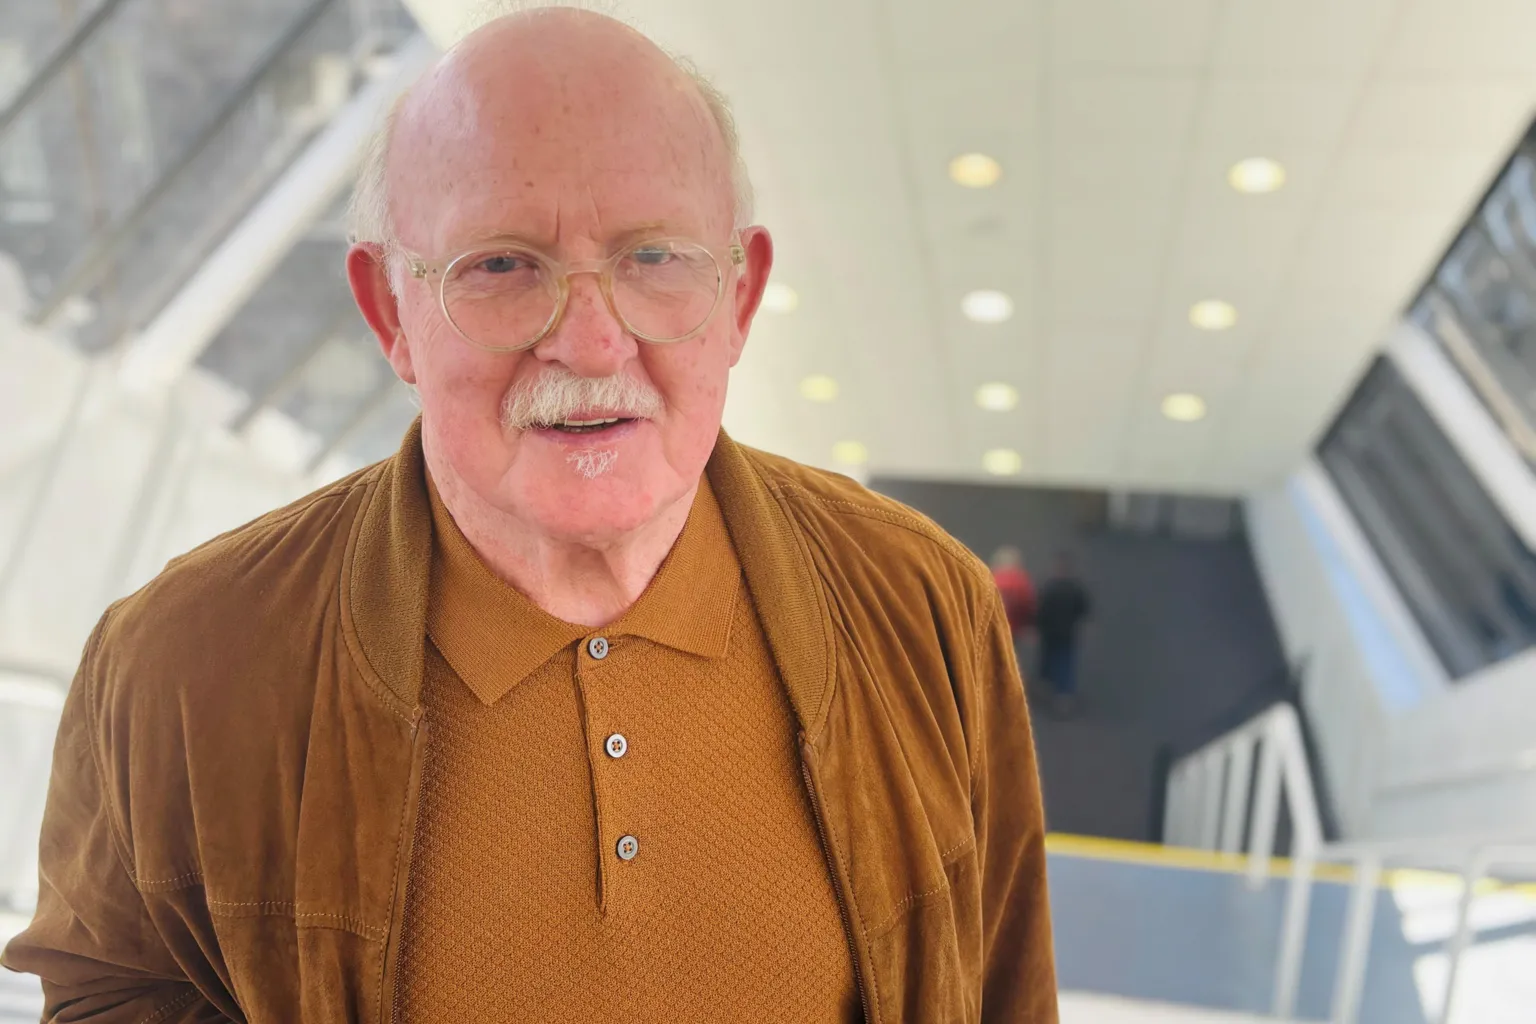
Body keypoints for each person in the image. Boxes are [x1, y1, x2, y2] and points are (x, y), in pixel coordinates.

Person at [1, 8, 1056, 1022]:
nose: (592, 343)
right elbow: (108, 993)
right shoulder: (183, 662)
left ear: (738, 297)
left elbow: (1007, 988)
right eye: (503, 265)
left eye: (654, 259)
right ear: (389, 314)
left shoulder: (922, 606)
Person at [1036, 552, 1092, 716]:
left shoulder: (1049, 588)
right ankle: (1064, 696)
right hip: (1068, 632)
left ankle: (1046, 687)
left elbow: (1041, 610)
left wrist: (1037, 627)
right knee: (1065, 661)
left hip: (1049, 632)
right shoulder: (1076, 589)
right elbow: (1083, 611)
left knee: (1048, 659)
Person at [990, 544, 1037, 641]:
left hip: (995, 629)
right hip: (1016, 629)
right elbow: (1028, 605)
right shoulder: (1022, 581)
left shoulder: (992, 579)